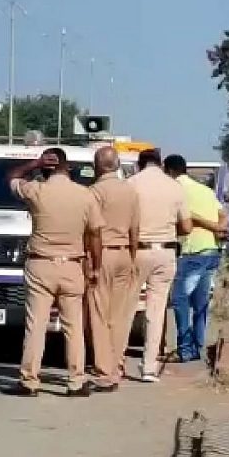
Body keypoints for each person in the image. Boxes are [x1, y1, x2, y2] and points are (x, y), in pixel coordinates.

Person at [5, 148, 104, 397]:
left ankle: (29, 380)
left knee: (36, 325)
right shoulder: (85, 195)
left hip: (40, 265)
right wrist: (95, 266)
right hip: (72, 265)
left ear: (45, 168)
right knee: (74, 326)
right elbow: (95, 234)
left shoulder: (36, 190)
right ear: (67, 167)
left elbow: (12, 177)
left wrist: (34, 164)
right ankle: (76, 381)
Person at [126, 149, 192, 382]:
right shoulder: (174, 187)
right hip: (165, 252)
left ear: (140, 164)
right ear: (161, 164)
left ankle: (116, 363)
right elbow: (187, 227)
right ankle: (149, 368)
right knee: (156, 311)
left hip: (137, 250)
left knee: (127, 307)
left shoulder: (131, 184)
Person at [85, 146, 140, 392]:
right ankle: (117, 364)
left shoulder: (94, 192)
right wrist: (132, 256)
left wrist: (91, 262)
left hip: (102, 254)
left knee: (98, 315)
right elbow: (135, 229)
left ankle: (104, 371)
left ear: (96, 166)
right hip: (125, 253)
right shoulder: (130, 191)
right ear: (117, 165)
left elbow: (92, 230)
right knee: (119, 315)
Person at [167, 154, 228, 363]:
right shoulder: (205, 190)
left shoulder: (176, 189)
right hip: (212, 250)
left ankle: (185, 349)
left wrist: (211, 226)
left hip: (192, 251)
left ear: (170, 171)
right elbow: (224, 214)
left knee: (179, 299)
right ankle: (198, 345)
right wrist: (219, 228)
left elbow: (188, 219)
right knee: (200, 302)